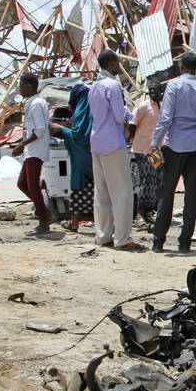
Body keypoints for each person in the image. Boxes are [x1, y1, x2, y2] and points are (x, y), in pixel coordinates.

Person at [150, 52, 196, 252]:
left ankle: (158, 241)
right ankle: (185, 242)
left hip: (174, 146)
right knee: (192, 197)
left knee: (166, 194)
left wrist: (154, 142)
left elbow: (165, 118)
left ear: (182, 67)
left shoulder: (174, 86)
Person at [88, 50, 144, 250]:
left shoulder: (93, 86)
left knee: (101, 192)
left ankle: (103, 235)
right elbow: (120, 116)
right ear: (111, 64)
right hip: (113, 142)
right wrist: (131, 113)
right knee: (122, 192)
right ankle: (122, 238)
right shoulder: (112, 85)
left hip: (97, 142)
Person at [49, 83, 94, 232]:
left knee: (78, 188)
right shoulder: (94, 107)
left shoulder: (82, 109)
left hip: (81, 155)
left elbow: (79, 135)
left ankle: (74, 222)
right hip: (96, 155)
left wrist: (61, 129)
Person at [12, 73, 52, 236]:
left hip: (35, 150)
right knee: (23, 183)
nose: (20, 89)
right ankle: (45, 212)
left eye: (21, 85)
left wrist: (22, 144)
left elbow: (40, 130)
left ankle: (43, 220)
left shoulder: (36, 104)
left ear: (28, 86)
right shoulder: (35, 102)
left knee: (32, 185)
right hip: (32, 150)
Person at [128, 81, 163, 226]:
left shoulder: (162, 107)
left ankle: (148, 212)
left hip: (157, 150)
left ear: (161, 91)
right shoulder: (143, 106)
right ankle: (139, 215)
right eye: (151, 90)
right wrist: (136, 139)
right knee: (145, 179)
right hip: (142, 149)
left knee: (156, 180)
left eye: (155, 90)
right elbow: (132, 124)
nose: (152, 92)